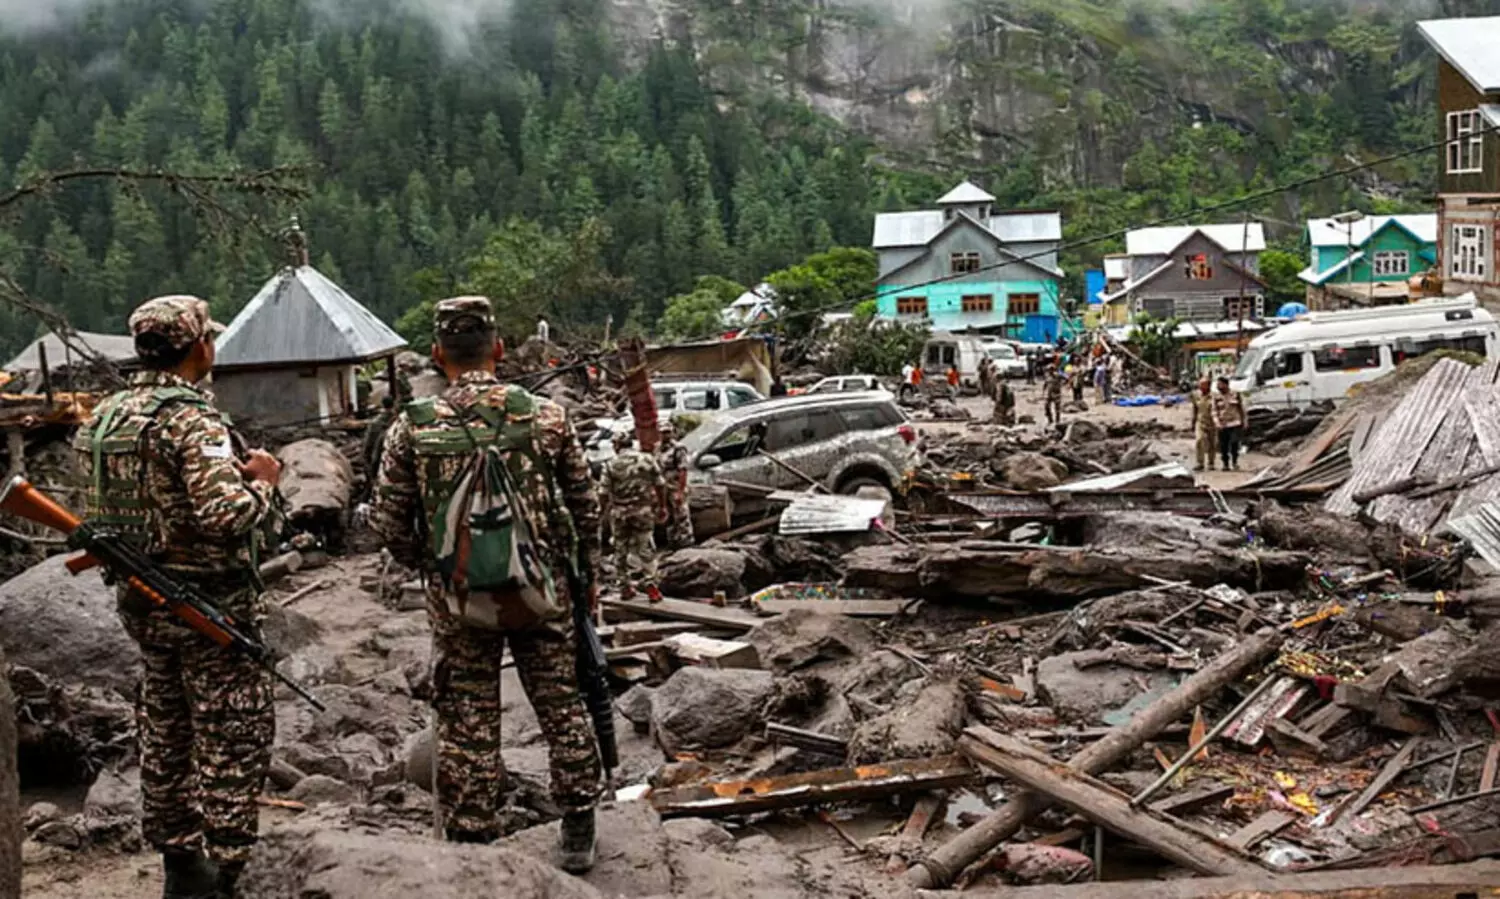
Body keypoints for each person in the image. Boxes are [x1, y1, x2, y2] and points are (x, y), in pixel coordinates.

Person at [369, 296, 603, 871]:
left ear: (435, 353)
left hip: (458, 599)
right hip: (542, 591)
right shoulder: (546, 417)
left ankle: (475, 840)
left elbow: (387, 522)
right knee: (562, 706)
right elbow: (586, 506)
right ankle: (577, 828)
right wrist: (584, 574)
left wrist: (434, 564)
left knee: (468, 718)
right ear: (498, 349)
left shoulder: (412, 430)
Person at [75, 295, 281, 899]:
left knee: (165, 727)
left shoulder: (106, 416)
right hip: (210, 607)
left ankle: (178, 862)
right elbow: (224, 515)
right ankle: (228, 868)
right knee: (232, 734)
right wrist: (264, 483)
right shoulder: (191, 419)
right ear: (200, 347)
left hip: (143, 602)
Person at [602, 430, 668, 601]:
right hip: (643, 511)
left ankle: (625, 586)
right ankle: (651, 585)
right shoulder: (647, 459)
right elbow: (660, 484)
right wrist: (662, 506)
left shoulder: (610, 464)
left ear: (617, 445)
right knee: (646, 547)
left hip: (620, 513)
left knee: (620, 549)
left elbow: (603, 492)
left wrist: (601, 513)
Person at [656, 423, 694, 550]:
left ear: (672, 432)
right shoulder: (658, 448)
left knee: (681, 514)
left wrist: (680, 491)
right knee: (669, 516)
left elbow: (683, 470)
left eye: (668, 432)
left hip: (675, 485)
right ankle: (672, 542)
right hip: (663, 487)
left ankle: (686, 541)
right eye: (663, 432)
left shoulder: (678, 448)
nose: (665, 435)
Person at [1213, 376, 1246, 470]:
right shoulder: (1216, 397)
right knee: (1223, 446)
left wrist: (1245, 421)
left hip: (1235, 423)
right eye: (1217, 384)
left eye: (1220, 384)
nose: (1218, 386)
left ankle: (1235, 462)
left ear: (1226, 384)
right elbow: (1214, 411)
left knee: (1234, 442)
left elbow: (1242, 409)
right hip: (1222, 424)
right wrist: (1217, 422)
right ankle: (1225, 464)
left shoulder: (1235, 394)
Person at [1190, 377, 1217, 472]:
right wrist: (1192, 422)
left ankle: (1211, 463)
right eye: (1200, 385)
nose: (1201, 387)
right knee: (1199, 440)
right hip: (1200, 422)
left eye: (1203, 385)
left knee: (1212, 443)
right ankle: (1200, 463)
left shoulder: (1215, 396)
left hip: (1213, 423)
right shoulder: (1196, 395)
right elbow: (1194, 409)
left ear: (1208, 386)